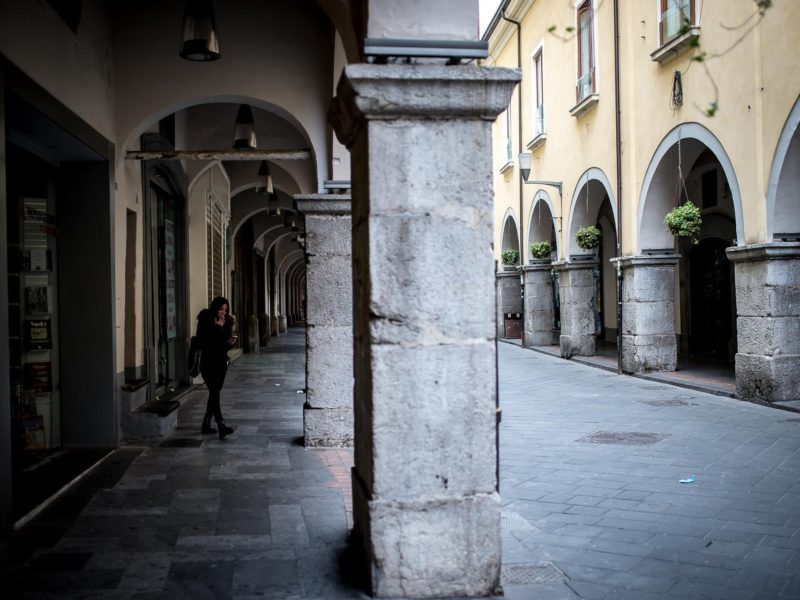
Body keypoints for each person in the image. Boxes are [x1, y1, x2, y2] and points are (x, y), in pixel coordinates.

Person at [195, 296, 238, 439]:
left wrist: (230, 343)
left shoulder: (227, 322)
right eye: (221, 309)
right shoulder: (205, 319)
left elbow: (222, 346)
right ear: (215, 308)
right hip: (207, 363)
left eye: (225, 310)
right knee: (214, 392)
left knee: (215, 393)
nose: (223, 313)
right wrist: (216, 327)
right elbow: (203, 341)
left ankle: (206, 424)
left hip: (220, 363)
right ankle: (221, 424)